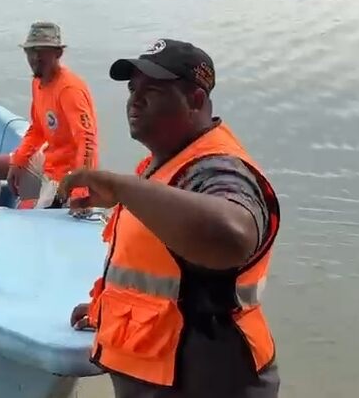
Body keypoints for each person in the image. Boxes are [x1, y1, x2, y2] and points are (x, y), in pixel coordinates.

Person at [58, 39, 281, 398]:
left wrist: (122, 188)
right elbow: (166, 279)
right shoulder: (166, 166)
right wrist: (110, 309)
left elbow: (232, 237)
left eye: (154, 90)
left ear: (195, 100)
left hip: (209, 378)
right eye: (133, 89)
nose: (135, 99)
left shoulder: (217, 168)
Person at [0, 21, 99, 209]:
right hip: (48, 160)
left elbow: (87, 140)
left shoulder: (69, 89)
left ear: (58, 54)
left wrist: (79, 188)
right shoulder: (38, 81)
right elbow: (38, 129)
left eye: (42, 51)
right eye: (31, 51)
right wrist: (18, 162)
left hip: (66, 174)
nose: (35, 57)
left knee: (38, 221)